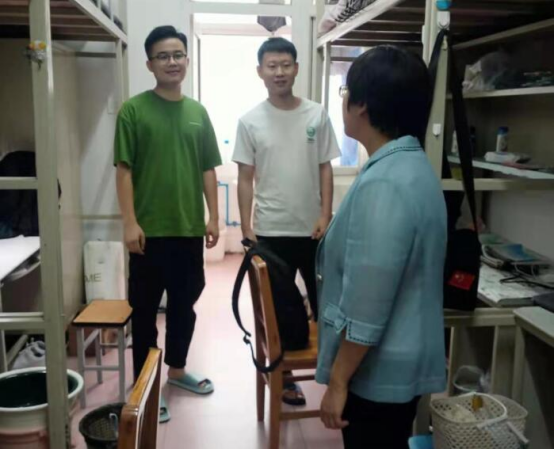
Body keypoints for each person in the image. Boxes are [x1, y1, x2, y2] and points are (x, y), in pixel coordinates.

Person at [316, 46, 448, 449]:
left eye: (345, 93)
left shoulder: (385, 183)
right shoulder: (411, 165)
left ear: (362, 105)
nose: (344, 102)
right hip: (399, 360)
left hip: (377, 371)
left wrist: (338, 380)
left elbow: (367, 304)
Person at [114, 26, 222, 423]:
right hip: (148, 233)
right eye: (163, 56)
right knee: (144, 313)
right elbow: (124, 171)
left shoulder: (198, 113)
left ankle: (176, 371)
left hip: (188, 229)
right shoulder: (133, 110)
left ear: (187, 60)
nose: (172, 62)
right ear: (149, 64)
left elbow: (208, 168)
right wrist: (129, 223)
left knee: (184, 308)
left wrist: (213, 216)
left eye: (178, 55)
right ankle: (145, 387)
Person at [233, 37, 340, 406]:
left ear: (296, 68)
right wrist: (246, 227)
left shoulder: (316, 115)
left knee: (328, 305)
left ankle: (335, 375)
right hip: (270, 230)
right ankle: (286, 376)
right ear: (260, 72)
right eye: (271, 66)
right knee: (281, 314)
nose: (279, 72)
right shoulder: (250, 121)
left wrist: (325, 214)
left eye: (285, 65)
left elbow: (325, 168)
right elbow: (245, 177)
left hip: (313, 231)